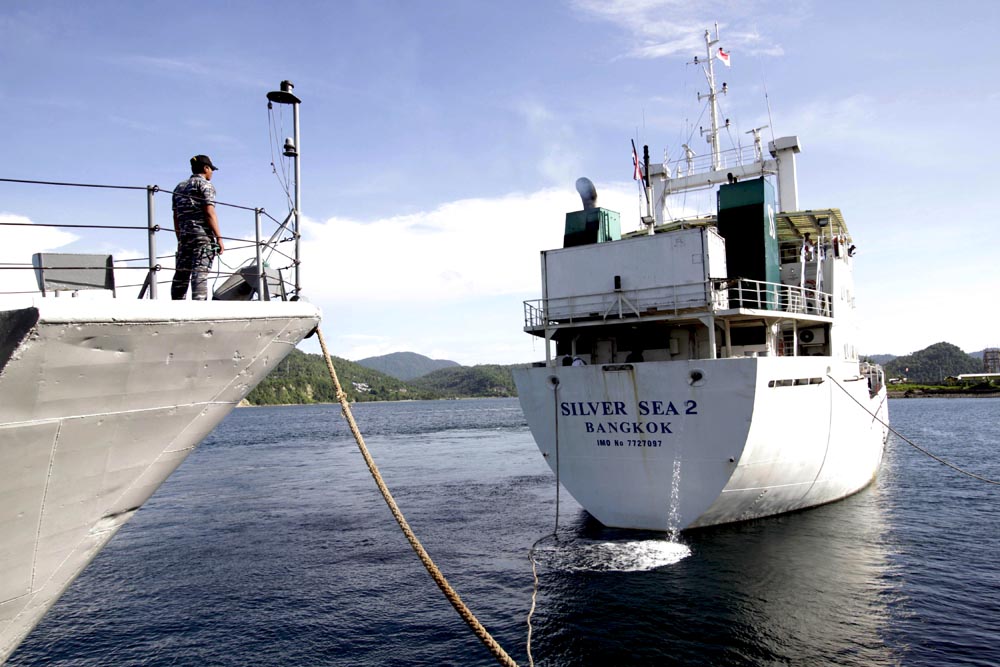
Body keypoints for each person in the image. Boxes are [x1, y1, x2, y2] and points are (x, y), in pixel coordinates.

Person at [171, 154, 224, 300]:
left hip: (184, 237)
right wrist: (219, 238)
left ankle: (175, 305)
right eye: (211, 169)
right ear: (206, 168)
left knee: (181, 274)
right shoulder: (205, 185)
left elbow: (176, 216)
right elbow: (209, 212)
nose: (212, 172)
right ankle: (199, 306)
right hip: (202, 237)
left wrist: (180, 238)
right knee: (199, 273)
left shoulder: (179, 187)